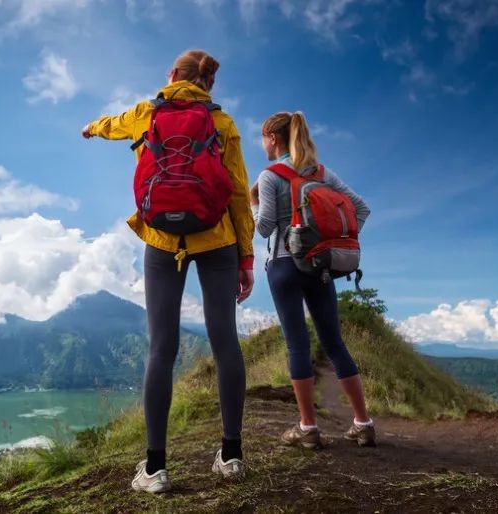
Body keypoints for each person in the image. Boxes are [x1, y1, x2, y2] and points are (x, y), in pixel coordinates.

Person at [82, 50, 255, 493]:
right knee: (225, 342)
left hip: (161, 240)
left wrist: (93, 127)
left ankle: (155, 468)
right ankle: (231, 456)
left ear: (173, 75)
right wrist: (247, 256)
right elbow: (237, 192)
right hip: (218, 240)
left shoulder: (147, 113)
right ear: (207, 85)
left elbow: (113, 125)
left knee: (161, 347)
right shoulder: (223, 124)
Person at [251, 111, 376, 449]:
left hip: (283, 264)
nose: (261, 144)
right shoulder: (322, 173)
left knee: (297, 345)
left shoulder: (270, 175)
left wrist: (250, 210)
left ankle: (308, 428)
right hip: (319, 265)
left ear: (273, 139)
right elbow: (361, 209)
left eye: (262, 138)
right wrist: (331, 241)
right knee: (334, 343)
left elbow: (263, 227)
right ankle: (363, 424)